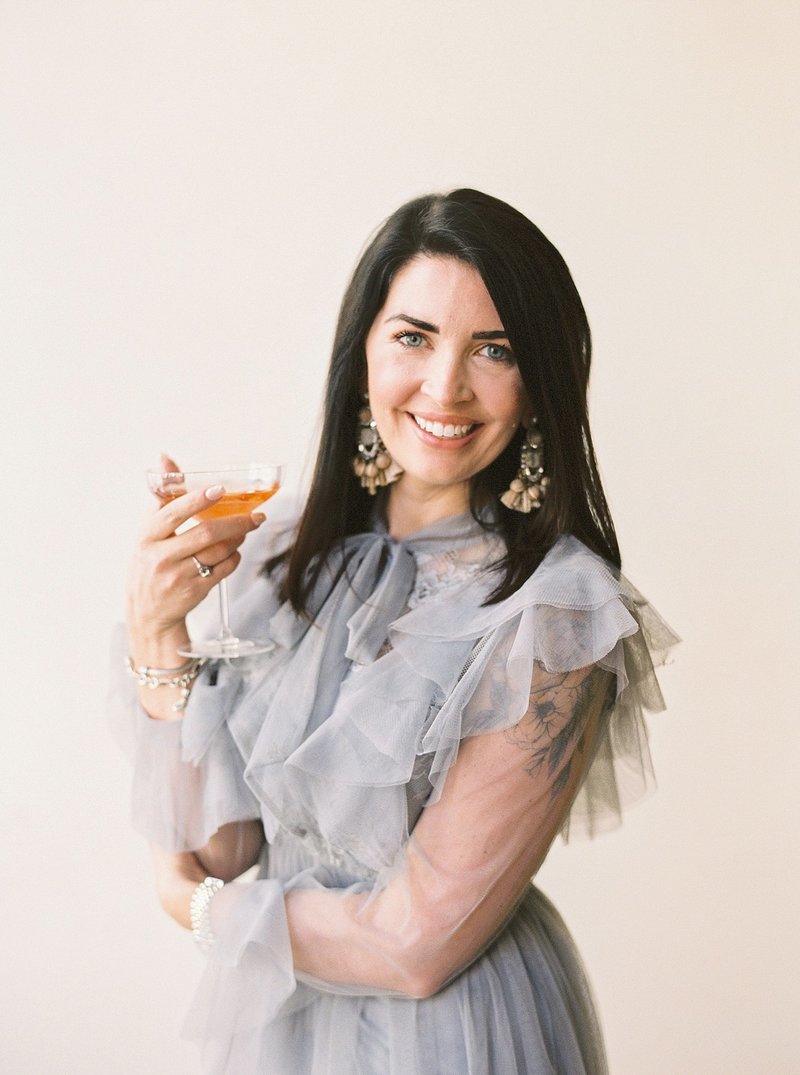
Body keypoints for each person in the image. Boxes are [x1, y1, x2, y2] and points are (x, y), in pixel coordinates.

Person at [117, 189, 678, 1074]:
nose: (445, 387)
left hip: (454, 1033)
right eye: (414, 337)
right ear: (363, 356)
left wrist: (196, 907)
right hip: (290, 1023)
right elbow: (224, 845)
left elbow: (416, 945)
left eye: (494, 349)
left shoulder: (555, 612)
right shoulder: (284, 553)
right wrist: (158, 636)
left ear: (539, 384)